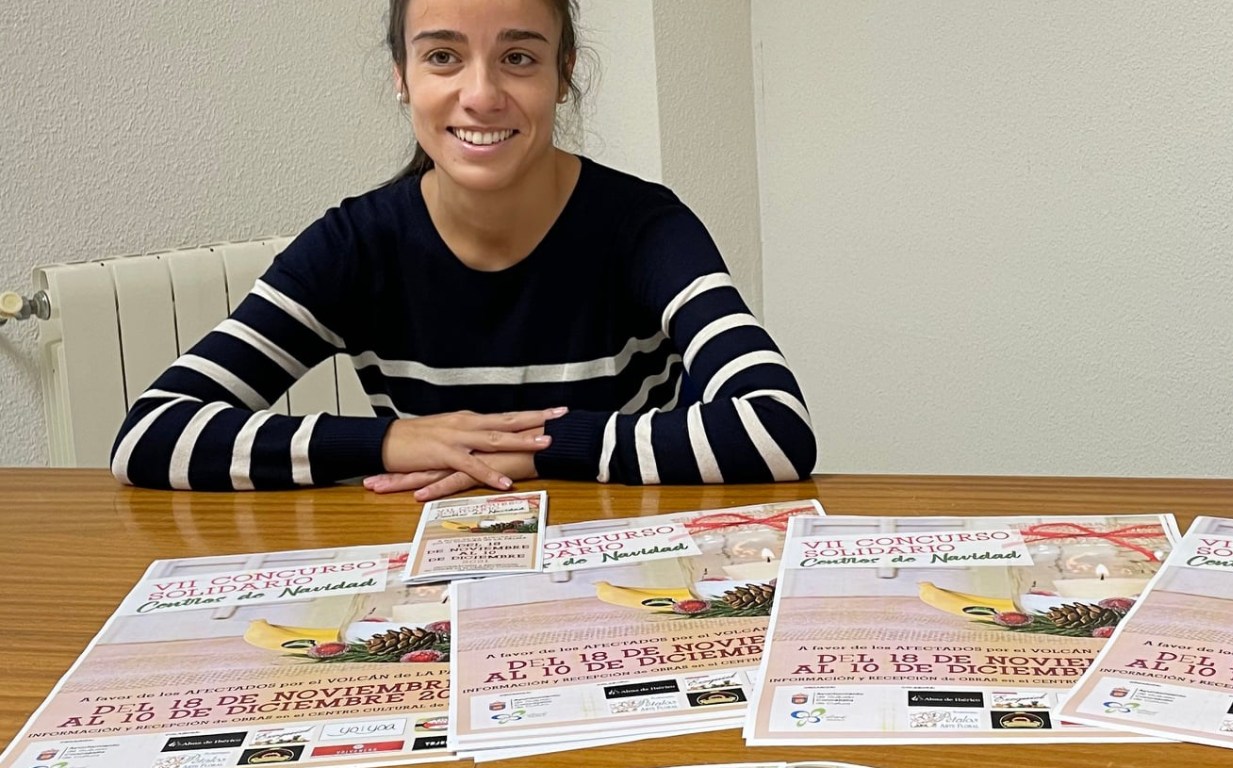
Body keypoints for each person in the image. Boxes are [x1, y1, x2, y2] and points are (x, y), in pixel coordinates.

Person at [111, 0, 815, 499]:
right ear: (402, 75)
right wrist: (392, 443)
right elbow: (151, 434)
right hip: (433, 571)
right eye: (443, 56)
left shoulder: (645, 229)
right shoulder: (357, 245)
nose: (481, 95)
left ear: (563, 72)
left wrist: (537, 452)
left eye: (518, 57)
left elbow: (775, 426)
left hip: (618, 554)